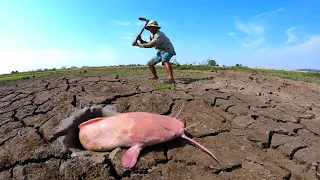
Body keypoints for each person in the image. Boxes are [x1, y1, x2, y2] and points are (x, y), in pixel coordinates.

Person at [132, 20, 176, 84]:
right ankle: (155, 76)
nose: (150, 29)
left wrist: (137, 45)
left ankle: (171, 78)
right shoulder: (152, 35)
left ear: (156, 27)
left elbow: (151, 45)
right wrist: (140, 40)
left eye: (152, 27)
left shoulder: (159, 35)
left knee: (165, 60)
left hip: (167, 50)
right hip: (160, 51)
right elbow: (147, 43)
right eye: (149, 27)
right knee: (150, 63)